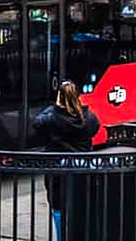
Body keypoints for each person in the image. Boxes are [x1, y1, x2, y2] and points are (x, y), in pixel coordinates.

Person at [32, 80, 101, 241]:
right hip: (82, 171)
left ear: (59, 99)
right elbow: (96, 127)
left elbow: (37, 123)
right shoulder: (88, 118)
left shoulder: (51, 119)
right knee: (82, 206)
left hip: (58, 172)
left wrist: (55, 107)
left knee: (58, 208)